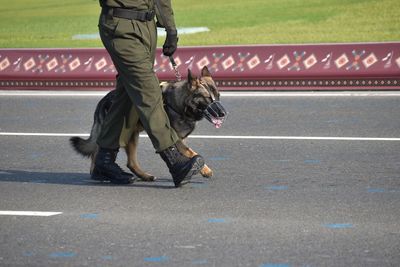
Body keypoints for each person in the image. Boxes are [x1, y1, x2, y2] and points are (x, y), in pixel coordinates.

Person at [94, 0, 205, 187]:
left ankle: (104, 160)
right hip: (121, 25)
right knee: (149, 91)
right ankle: (174, 160)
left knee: (128, 96)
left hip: (146, 26)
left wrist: (170, 29)